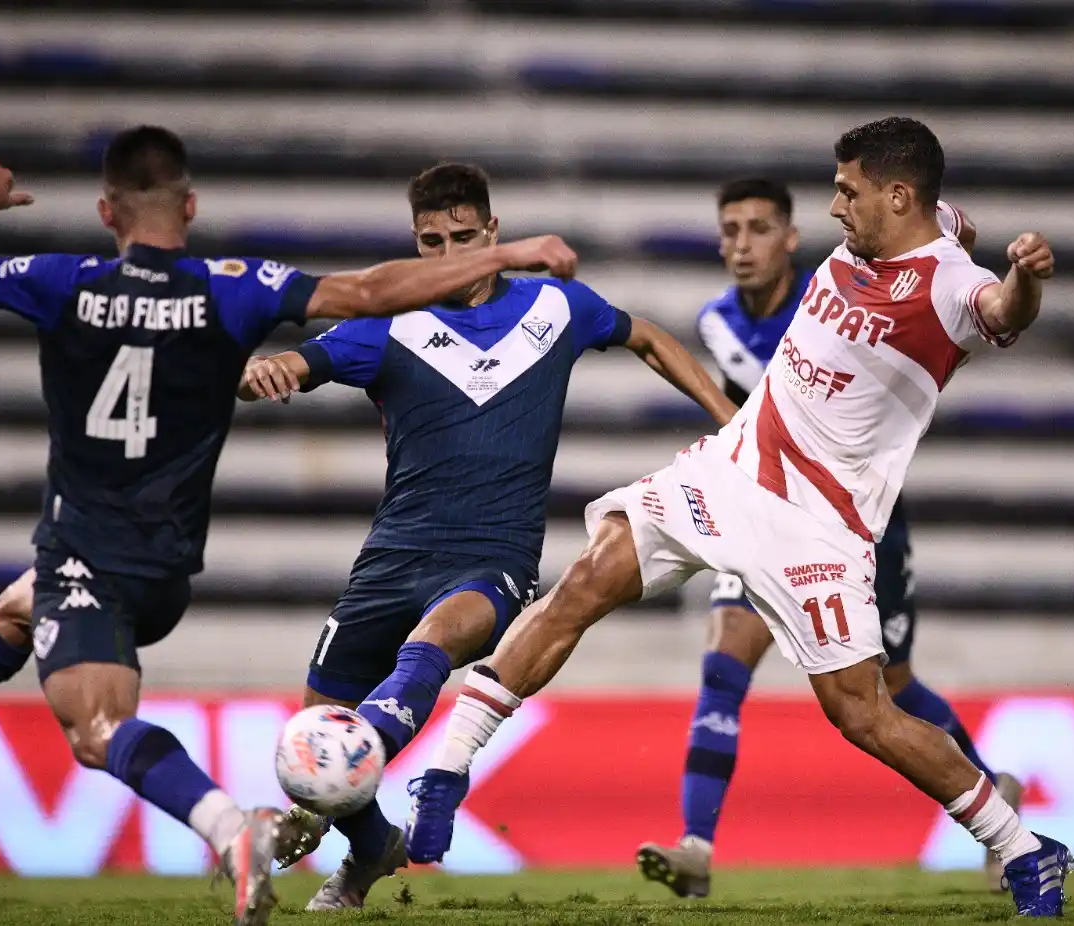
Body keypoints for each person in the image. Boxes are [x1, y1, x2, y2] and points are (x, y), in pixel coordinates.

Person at [0, 128, 578, 924]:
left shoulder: (63, 281)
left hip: (89, 544)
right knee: (21, 610)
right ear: (190, 205)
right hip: (170, 561)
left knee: (97, 730)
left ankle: (231, 831)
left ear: (103, 211)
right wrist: (500, 255)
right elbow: (366, 293)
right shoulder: (233, 286)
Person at [403, 118, 1074, 918]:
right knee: (590, 576)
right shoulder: (914, 222)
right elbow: (951, 215)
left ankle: (1025, 849)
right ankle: (447, 767)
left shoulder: (950, 286)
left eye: (847, 191)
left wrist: (1026, 274)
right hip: (731, 467)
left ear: (896, 197)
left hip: (816, 523)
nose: (833, 207)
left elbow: (1005, 308)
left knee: (862, 711)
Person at [235, 162, 738, 909]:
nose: (449, 257)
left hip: (490, 558)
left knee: (427, 652)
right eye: (431, 243)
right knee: (314, 717)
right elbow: (294, 364)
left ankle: (343, 780)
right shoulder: (385, 329)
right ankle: (371, 849)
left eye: (464, 237)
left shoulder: (555, 308)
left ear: (493, 234)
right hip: (390, 557)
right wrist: (266, 370)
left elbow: (648, 338)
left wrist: (729, 423)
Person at [636, 179, 1020, 898]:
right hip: (763, 515)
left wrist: (959, 236)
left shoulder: (836, 298)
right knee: (723, 663)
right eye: (729, 230)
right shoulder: (716, 322)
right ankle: (696, 849)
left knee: (890, 690)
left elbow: (940, 260)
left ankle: (992, 791)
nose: (741, 245)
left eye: (757, 229)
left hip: (856, 526)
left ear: (790, 240)